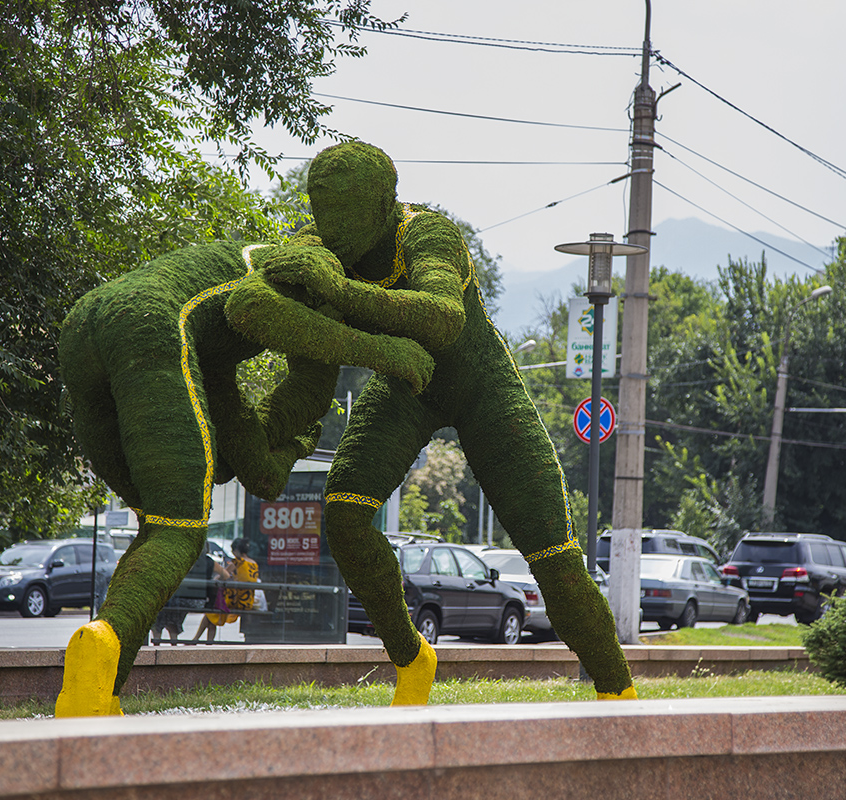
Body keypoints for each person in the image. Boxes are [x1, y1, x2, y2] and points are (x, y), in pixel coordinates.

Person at [261, 141, 637, 705]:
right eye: (320, 209)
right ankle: (412, 657)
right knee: (343, 518)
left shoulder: (428, 234)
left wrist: (338, 290)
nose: (329, 227)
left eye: (346, 214)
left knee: (554, 559)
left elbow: (441, 316)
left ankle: (618, 690)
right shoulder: (318, 248)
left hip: (484, 389)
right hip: (407, 383)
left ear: (386, 206)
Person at [54, 240, 434, 717]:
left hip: (84, 324)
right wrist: (384, 351)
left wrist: (291, 445)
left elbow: (256, 472)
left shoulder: (208, 365)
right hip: (151, 323)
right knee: (178, 530)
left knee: (160, 527)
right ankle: (102, 649)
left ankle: (98, 689)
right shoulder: (305, 265)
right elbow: (259, 312)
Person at [191, 538, 260, 643]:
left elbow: (223, 575)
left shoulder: (237, 562)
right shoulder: (254, 563)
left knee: (211, 610)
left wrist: (215, 579)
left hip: (236, 600)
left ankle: (196, 639)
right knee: (211, 615)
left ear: (236, 551)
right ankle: (207, 642)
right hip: (247, 601)